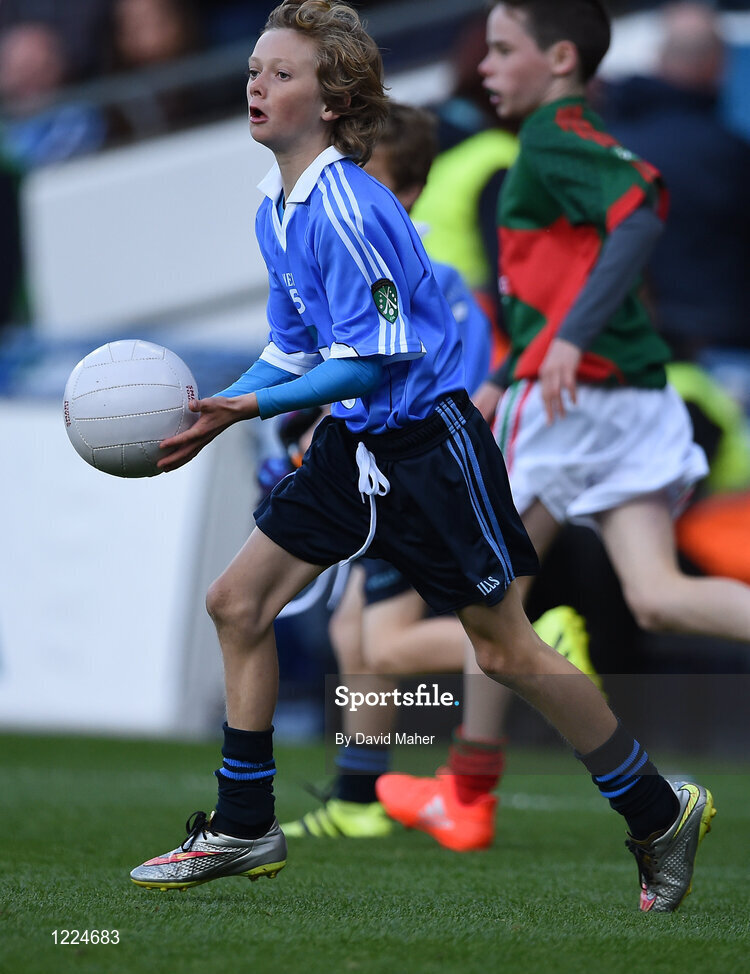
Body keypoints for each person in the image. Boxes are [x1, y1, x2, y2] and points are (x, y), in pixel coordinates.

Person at [129, 0, 714, 915]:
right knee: (236, 602)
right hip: (354, 441)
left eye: (281, 73)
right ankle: (246, 822)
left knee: (508, 649)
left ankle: (656, 811)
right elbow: (293, 349)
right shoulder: (276, 209)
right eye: (253, 68)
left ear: (332, 102)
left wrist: (250, 406)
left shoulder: (348, 206)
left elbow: (379, 356)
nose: (256, 83)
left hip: (427, 444)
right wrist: (224, 408)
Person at [375, 2, 744, 904]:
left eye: (504, 49)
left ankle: (467, 793)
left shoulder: (549, 137)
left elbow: (641, 212)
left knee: (485, 617)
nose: (487, 66)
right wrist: (534, 356)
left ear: (561, 57)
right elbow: (596, 250)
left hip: (570, 404)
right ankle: (469, 792)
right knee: (655, 597)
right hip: (618, 399)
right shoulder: (560, 135)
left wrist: (562, 344)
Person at [279, 100, 598, 847]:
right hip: (370, 465)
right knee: (354, 634)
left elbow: (435, 377)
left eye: (372, 178)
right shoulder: (341, 249)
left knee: (380, 643)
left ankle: (539, 645)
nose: (352, 189)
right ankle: (359, 793)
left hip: (413, 469)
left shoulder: (423, 275)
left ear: (409, 191)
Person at [596, 2, 750, 360]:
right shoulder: (731, 153)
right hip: (722, 340)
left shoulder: (610, 143)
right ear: (718, 65)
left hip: (630, 348)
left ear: (660, 59)